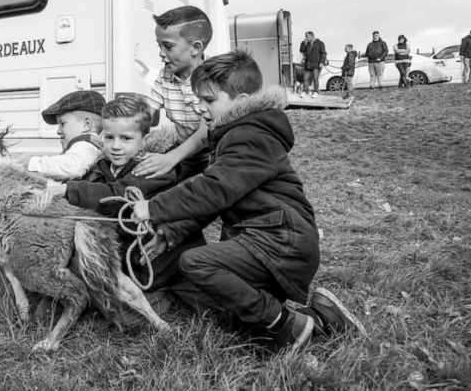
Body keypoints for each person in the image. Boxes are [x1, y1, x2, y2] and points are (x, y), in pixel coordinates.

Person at [131, 50, 365, 353]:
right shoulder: (237, 133)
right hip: (270, 238)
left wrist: (153, 208)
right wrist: (171, 232)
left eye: (209, 101)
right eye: (199, 100)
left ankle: (285, 324)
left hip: (281, 240)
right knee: (239, 322)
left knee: (195, 262)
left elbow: (214, 189)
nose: (201, 110)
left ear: (240, 100)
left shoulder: (250, 135)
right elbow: (218, 199)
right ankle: (321, 316)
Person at [36, 95, 207, 316]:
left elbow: (116, 194)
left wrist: (69, 189)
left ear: (144, 140)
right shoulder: (101, 168)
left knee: (124, 318)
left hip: (161, 261)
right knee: (51, 311)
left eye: (126, 139)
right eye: (109, 137)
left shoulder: (154, 168)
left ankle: (164, 292)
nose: (116, 146)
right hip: (130, 259)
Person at [134, 5, 212, 181]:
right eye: (159, 45)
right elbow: (148, 113)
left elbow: (206, 130)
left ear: (196, 48)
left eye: (168, 47)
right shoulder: (165, 76)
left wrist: (172, 158)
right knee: (144, 172)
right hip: (184, 150)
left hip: (212, 153)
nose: (161, 54)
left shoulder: (213, 77)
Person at [25, 90, 106, 179]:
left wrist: (32, 163)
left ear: (86, 125)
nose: (58, 131)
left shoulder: (85, 145)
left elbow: (73, 167)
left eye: (62, 124)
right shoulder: (88, 146)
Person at [299, 31, 327, 98]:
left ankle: (316, 92)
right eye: (305, 36)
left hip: (316, 64)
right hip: (308, 64)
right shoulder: (307, 43)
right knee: (305, 78)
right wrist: (303, 42)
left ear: (311, 36)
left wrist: (322, 62)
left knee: (315, 78)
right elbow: (302, 50)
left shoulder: (320, 43)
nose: (306, 38)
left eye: (307, 36)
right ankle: (305, 91)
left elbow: (323, 53)